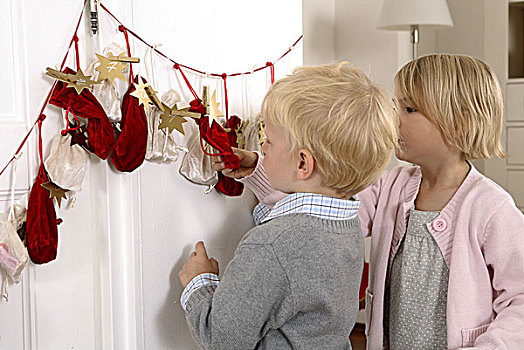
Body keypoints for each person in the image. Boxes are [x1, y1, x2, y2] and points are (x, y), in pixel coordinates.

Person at [218, 54, 524, 350]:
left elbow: (520, 299)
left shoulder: (491, 208)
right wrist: (260, 168)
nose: (393, 118)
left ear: (458, 124)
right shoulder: (392, 186)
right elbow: (316, 211)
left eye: (409, 110)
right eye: (395, 105)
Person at [178, 62, 398, 349]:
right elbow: (299, 218)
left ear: (303, 163)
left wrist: (200, 283)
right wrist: (259, 169)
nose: (263, 147)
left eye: (268, 140)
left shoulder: (270, 246)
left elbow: (223, 339)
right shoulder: (344, 225)